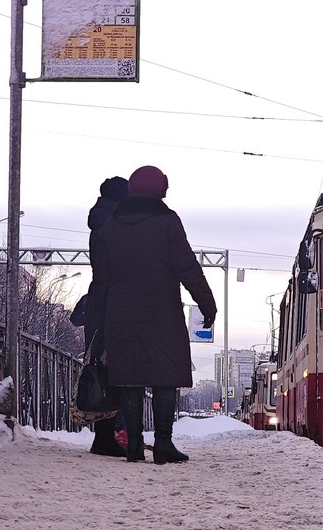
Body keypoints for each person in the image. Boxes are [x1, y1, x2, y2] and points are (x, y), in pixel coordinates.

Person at [88, 165, 217, 464]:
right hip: (163, 314)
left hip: (119, 316)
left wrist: (97, 326)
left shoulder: (109, 228)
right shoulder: (168, 222)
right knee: (164, 377)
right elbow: (188, 268)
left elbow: (101, 281)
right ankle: (163, 444)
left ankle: (134, 445)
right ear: (159, 189)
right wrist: (207, 305)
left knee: (129, 378)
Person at [72, 176, 130, 458]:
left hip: (99, 301)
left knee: (103, 369)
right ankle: (108, 438)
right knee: (115, 370)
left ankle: (105, 436)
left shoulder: (101, 220)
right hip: (113, 303)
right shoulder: (115, 223)